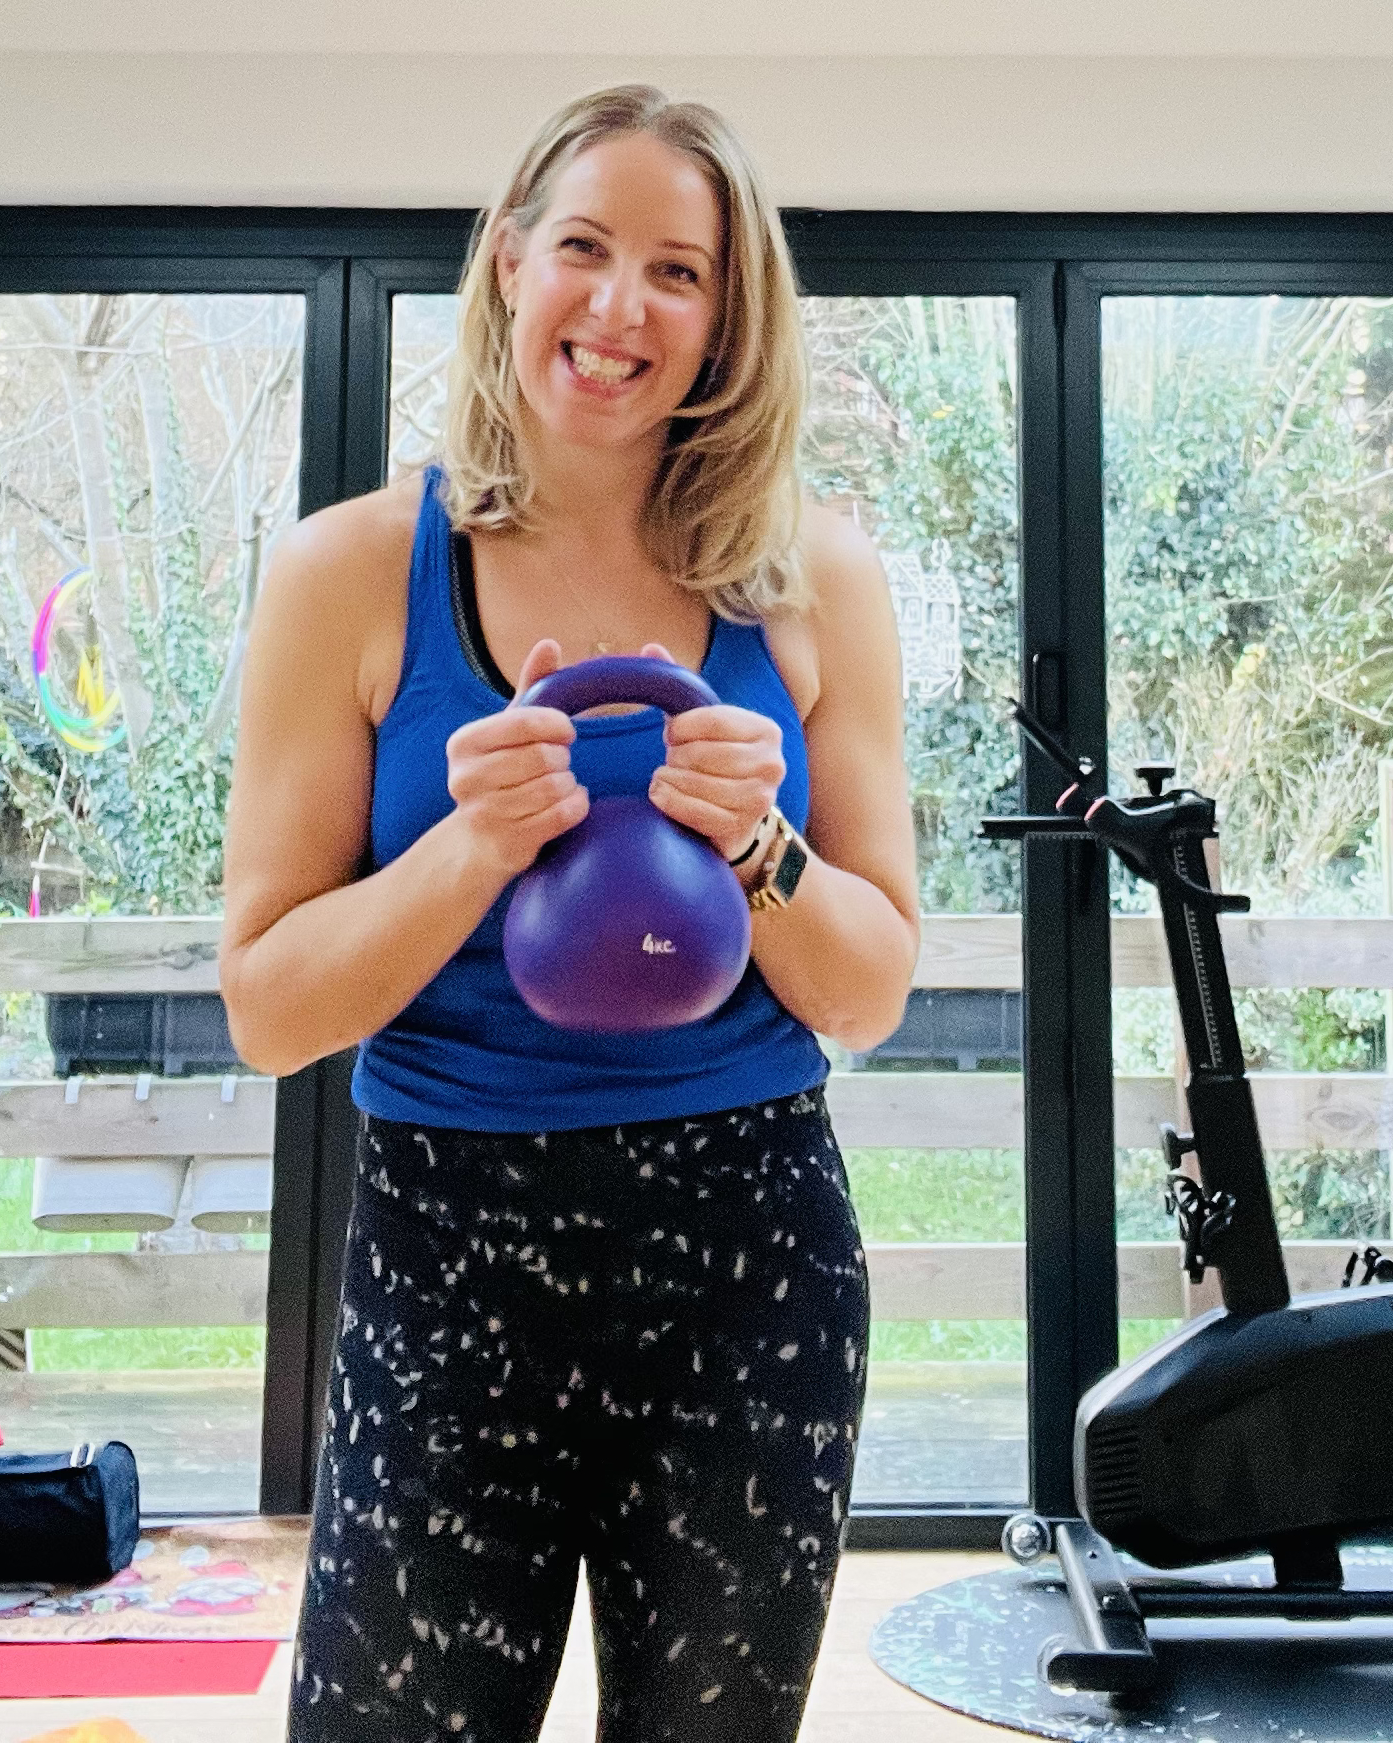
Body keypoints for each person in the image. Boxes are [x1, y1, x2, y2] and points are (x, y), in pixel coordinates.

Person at [220, 84, 922, 1741]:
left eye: (679, 273)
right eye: (587, 250)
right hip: (449, 1253)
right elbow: (269, 1010)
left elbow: (875, 985)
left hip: (750, 1257)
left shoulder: (816, 578)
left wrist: (761, 847)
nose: (622, 309)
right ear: (508, 264)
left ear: (728, 320)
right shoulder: (347, 571)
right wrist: (470, 846)